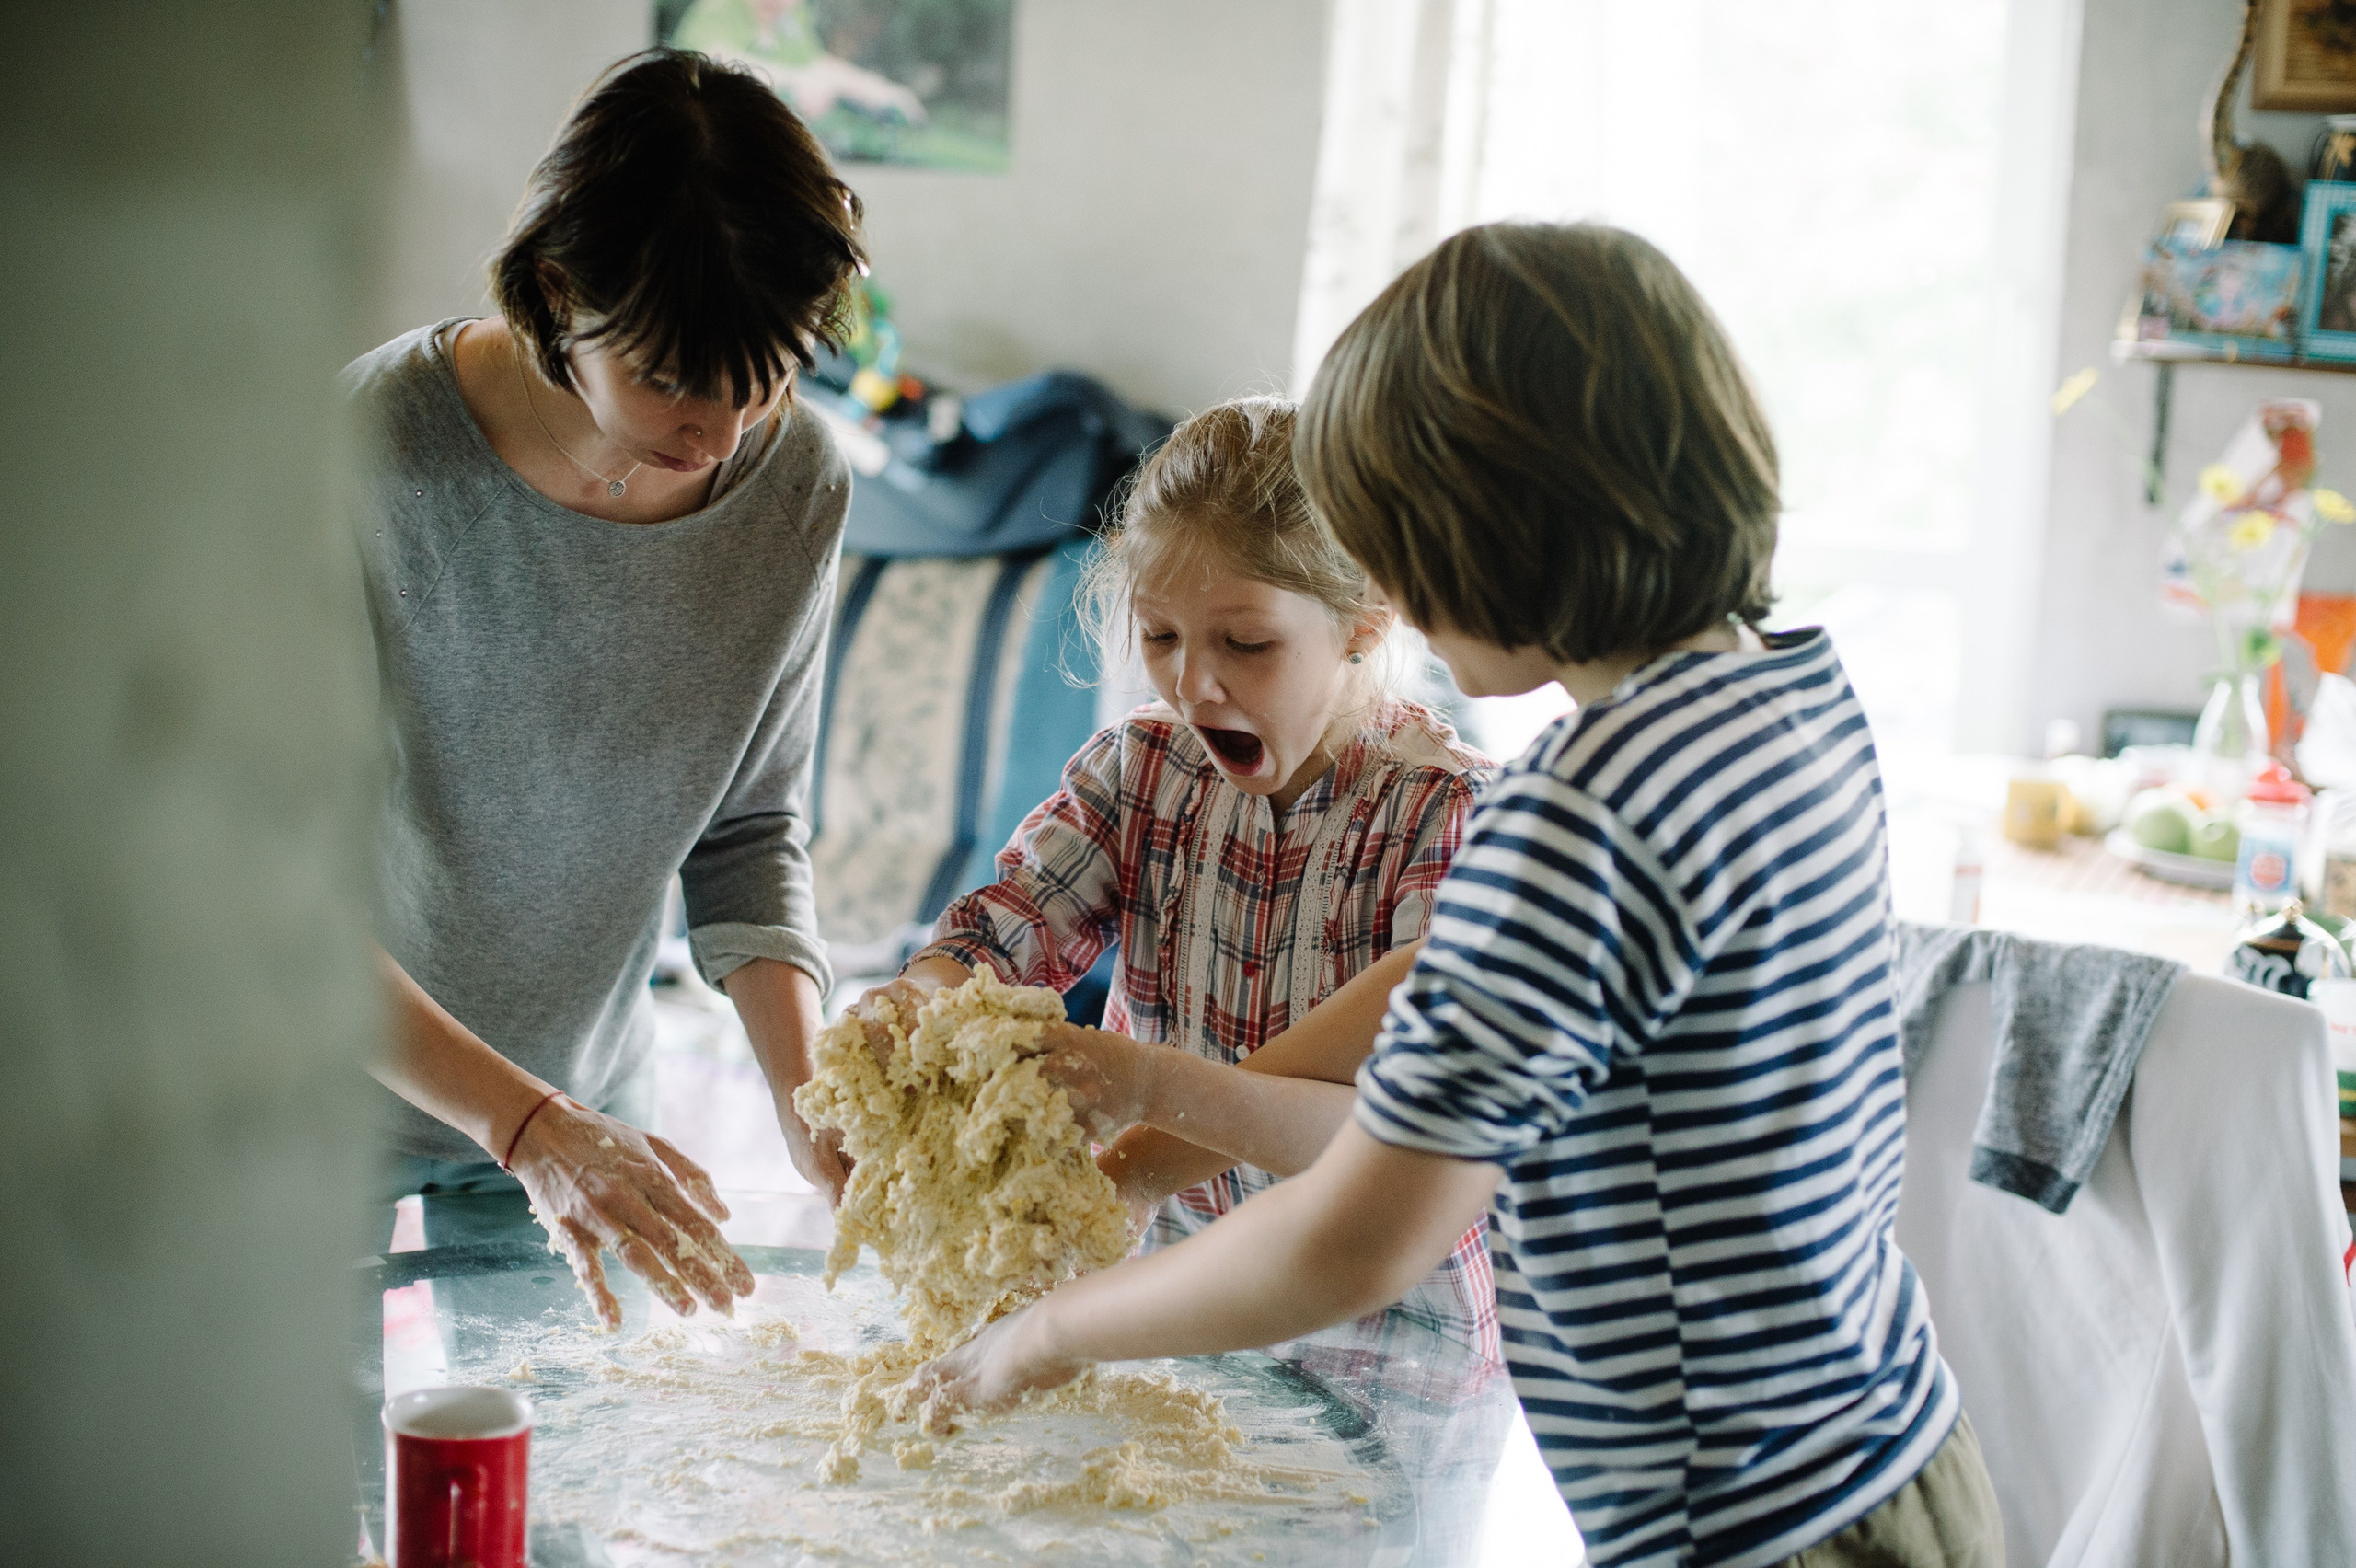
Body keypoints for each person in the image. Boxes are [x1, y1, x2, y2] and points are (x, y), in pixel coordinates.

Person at [915, 225, 2004, 1567]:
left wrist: (1049, 1329)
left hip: (1752, 1524)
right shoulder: (1790, 693)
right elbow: (1448, 1014)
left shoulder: (1572, 814)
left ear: (1493, 520)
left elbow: (1360, 1239)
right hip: (1894, 1451)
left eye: (1392, 534)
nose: (1401, 597)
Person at [347, 51, 865, 1328]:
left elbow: (746, 834)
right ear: (558, 291)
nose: (720, 433)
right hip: (307, 1084)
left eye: (764, 377)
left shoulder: (794, 484)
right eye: (676, 378)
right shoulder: (369, 451)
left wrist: (815, 1113)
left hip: (586, 1084)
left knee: (560, 1503)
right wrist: (525, 1126)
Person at [860, 398, 1500, 1358]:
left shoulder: (1445, 817)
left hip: (1382, 1340)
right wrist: (915, 1005)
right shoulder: (1142, 770)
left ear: (1363, 624)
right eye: (1160, 636)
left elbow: (1393, 1142)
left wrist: (1152, 1087)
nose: (1194, 684)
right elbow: (996, 936)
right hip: (1163, 1304)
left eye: (1245, 644)